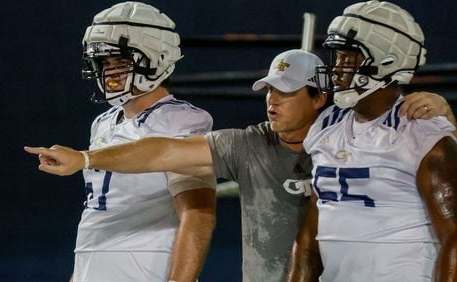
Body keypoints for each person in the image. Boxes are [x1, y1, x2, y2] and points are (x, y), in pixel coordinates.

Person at [25, 46, 453, 281]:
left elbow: (425, 145)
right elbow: (164, 150)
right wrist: (86, 158)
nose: (272, 101)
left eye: (286, 92)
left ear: (321, 97)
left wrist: (442, 112)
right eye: (269, 90)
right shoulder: (250, 143)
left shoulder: (361, 136)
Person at [35, 2, 217, 282]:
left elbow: (198, 215)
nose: (109, 72)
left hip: (144, 268)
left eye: (120, 62)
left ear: (157, 58)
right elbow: (98, 220)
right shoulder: (104, 122)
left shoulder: (180, 120)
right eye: (105, 63)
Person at [290, 1, 457, 281]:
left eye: (349, 59)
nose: (337, 69)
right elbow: (311, 233)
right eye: (338, 57)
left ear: (386, 61)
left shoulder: (424, 134)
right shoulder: (327, 125)